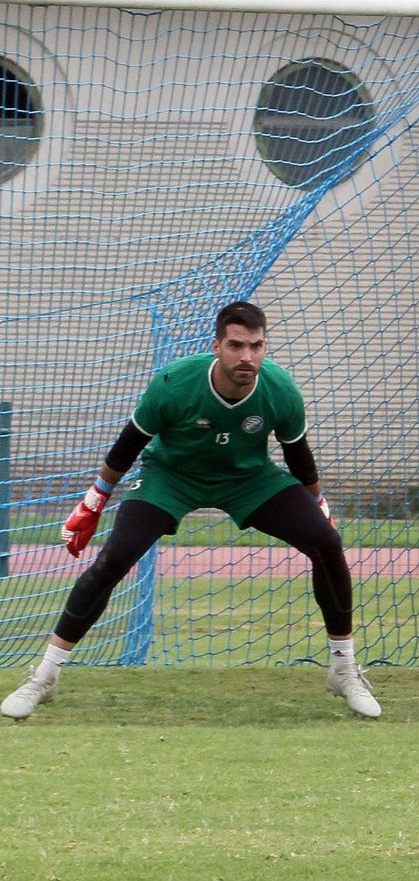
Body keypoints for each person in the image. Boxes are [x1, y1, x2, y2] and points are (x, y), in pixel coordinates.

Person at [3, 302, 381, 720]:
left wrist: (320, 507)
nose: (246, 357)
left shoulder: (280, 389)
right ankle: (45, 675)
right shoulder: (174, 383)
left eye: (256, 346)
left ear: (264, 346)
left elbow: (299, 457)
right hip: (171, 477)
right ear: (216, 345)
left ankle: (344, 669)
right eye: (236, 345)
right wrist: (93, 501)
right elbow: (127, 446)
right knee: (117, 555)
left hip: (249, 480)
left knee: (327, 543)